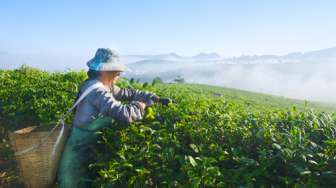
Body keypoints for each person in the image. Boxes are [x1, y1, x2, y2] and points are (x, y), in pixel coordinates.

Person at [57, 48, 171, 188]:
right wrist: (141, 105)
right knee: (73, 180)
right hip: (79, 146)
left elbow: (127, 93)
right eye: (116, 71)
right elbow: (123, 113)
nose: (119, 74)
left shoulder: (103, 85)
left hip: (88, 143)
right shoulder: (97, 90)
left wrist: (152, 97)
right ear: (104, 71)